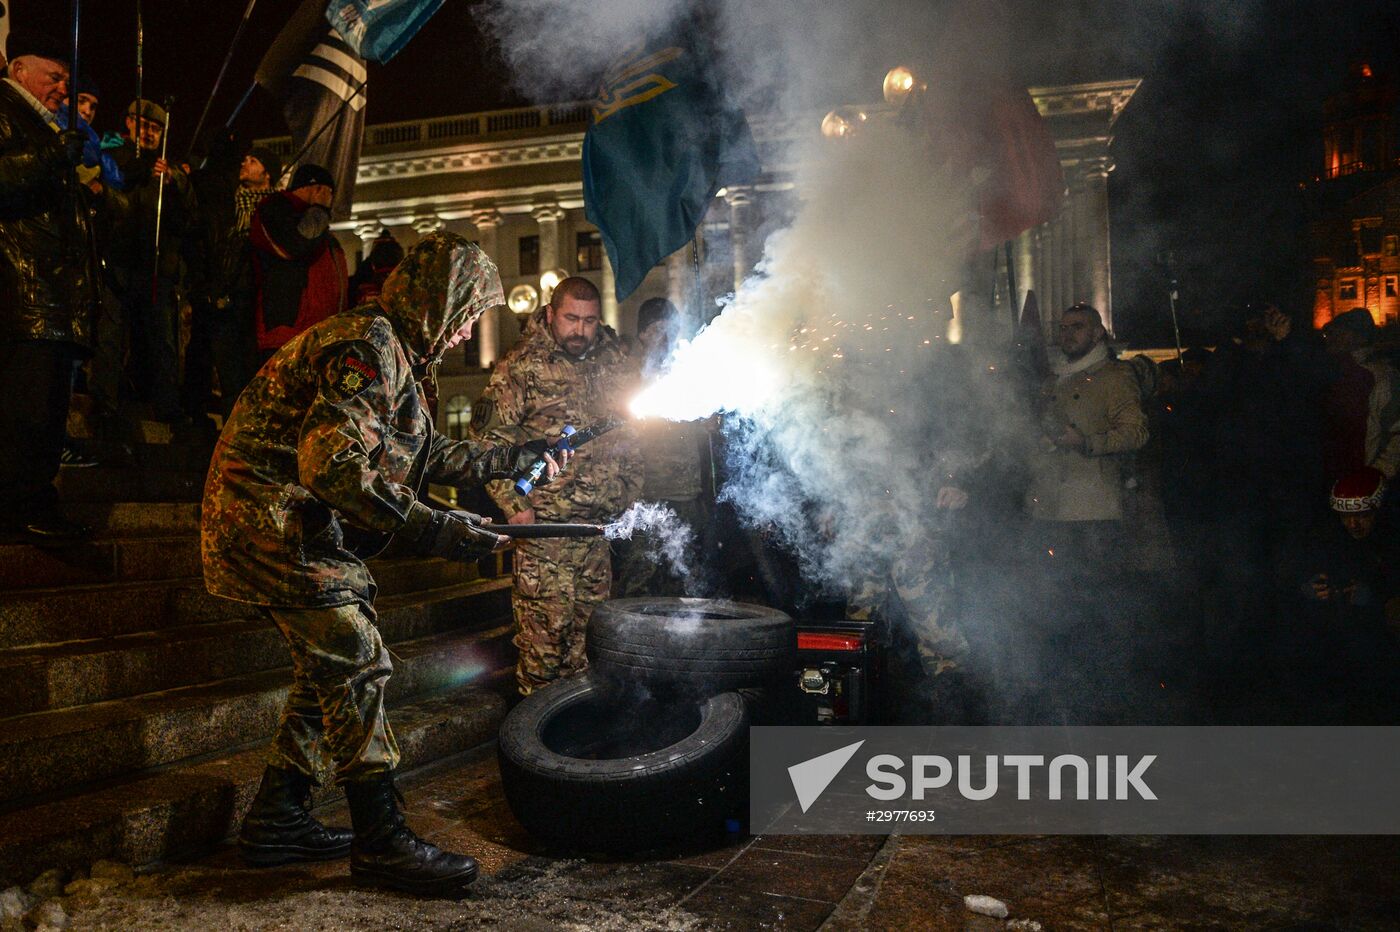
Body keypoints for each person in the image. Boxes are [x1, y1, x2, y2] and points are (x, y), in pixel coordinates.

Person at [203, 233, 564, 896]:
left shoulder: (394, 352)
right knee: (355, 652)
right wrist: (441, 531)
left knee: (329, 673)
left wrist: (516, 456)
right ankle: (380, 841)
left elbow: (425, 459)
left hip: (294, 526)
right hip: (266, 523)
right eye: (468, 315)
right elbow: (332, 466)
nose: (467, 333)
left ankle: (278, 817)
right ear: (440, 303)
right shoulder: (365, 347)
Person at [471, 276, 640, 695]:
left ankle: (579, 750)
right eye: (570, 318)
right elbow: (487, 442)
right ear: (550, 314)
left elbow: (635, 433)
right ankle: (535, 753)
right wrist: (513, 506)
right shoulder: (521, 365)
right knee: (543, 654)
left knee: (591, 655)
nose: (580, 330)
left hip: (596, 535)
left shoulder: (614, 362)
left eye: (589, 320)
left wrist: (627, 492)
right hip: (545, 535)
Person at [0, 32, 101, 543]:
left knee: (46, 408)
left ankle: (34, 499)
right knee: (29, 408)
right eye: (54, 75)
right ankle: (22, 504)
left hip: (54, 294)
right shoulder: (3, 109)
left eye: (68, 77)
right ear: (18, 68)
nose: (64, 86)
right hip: (25, 288)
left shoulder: (47, 128)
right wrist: (51, 159)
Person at [104, 97, 196, 427]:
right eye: (144, 125)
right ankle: (107, 404)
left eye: (156, 129)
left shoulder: (168, 169)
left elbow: (186, 215)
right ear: (129, 123)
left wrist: (174, 183)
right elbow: (114, 181)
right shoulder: (114, 153)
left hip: (157, 267)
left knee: (161, 341)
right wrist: (141, 168)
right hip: (119, 262)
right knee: (113, 338)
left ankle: (165, 404)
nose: (149, 133)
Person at [615, 298, 712, 597]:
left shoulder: (689, 373)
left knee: (689, 583)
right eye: (659, 328)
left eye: (672, 328)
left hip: (689, 496)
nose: (667, 336)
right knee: (640, 583)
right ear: (643, 333)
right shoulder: (629, 376)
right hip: (648, 497)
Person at [184, 141, 279, 420]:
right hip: (223, 296)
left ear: (267, 173)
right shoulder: (227, 201)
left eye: (253, 161)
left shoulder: (274, 209)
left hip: (255, 300)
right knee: (227, 371)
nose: (244, 164)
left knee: (249, 371)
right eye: (245, 158)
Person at [249, 162, 347, 359]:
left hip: (318, 337)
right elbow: (295, 246)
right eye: (329, 193)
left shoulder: (325, 235)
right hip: (286, 333)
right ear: (318, 189)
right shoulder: (277, 209)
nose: (331, 201)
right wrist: (319, 209)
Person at [1321, 308, 1400, 482]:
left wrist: (1377, 474)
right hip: (1334, 477)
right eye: (1330, 333)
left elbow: (1396, 432)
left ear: (1360, 338)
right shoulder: (1332, 372)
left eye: (1341, 333)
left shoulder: (1379, 376)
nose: (1332, 338)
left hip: (1362, 483)